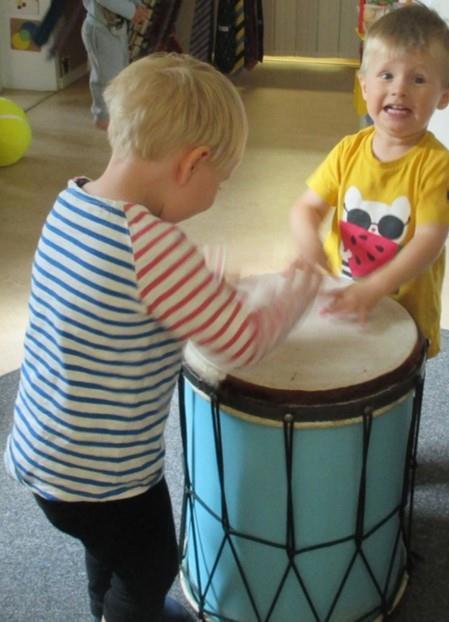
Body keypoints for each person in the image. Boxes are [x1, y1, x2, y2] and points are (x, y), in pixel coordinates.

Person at [4, 53, 321, 622]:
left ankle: (105, 608)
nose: (216, 196)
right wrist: (293, 298)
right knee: (150, 563)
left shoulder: (70, 201)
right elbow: (239, 342)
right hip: (108, 475)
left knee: (106, 550)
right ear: (191, 163)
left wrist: (202, 280)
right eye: (218, 182)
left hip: (42, 453)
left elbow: (116, 296)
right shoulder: (155, 247)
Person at [290, 3, 449, 357]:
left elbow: (428, 243)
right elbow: (307, 207)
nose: (399, 89)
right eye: (386, 75)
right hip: (340, 297)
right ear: (364, 86)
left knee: (392, 397)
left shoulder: (437, 165)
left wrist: (374, 289)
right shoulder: (347, 150)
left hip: (404, 317)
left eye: (418, 79)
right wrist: (308, 245)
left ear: (444, 97)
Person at [81, 0, 149, 129]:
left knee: (121, 73)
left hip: (116, 27)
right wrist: (131, 11)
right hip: (100, 29)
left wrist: (137, 5)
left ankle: (118, 113)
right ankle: (103, 117)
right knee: (106, 77)